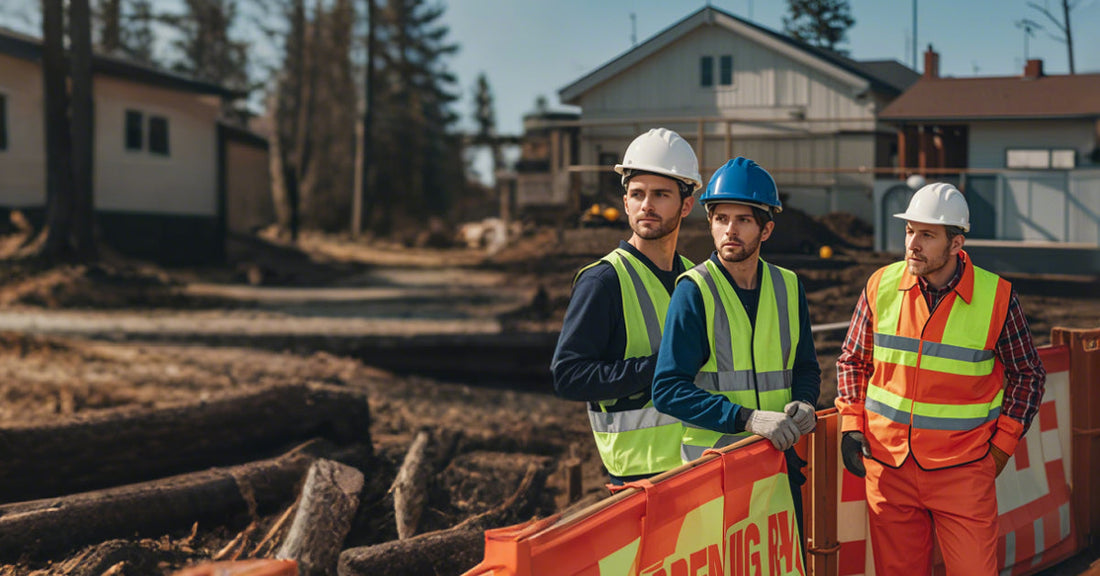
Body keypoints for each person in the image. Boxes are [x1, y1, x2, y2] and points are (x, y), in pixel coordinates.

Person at [835, 182, 1047, 575]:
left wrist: (1000, 448)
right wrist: (851, 425)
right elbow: (852, 360)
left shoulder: (997, 297)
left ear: (956, 243)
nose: (912, 243)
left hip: (963, 472)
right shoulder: (880, 286)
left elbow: (1028, 376)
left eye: (927, 234)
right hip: (888, 468)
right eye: (909, 231)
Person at [652, 157, 821, 531]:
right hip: (714, 475)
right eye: (720, 219)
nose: (730, 230)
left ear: (766, 229)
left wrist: (806, 401)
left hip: (778, 467)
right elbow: (667, 390)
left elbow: (806, 366)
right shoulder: (693, 291)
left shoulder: (789, 287)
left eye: (743, 220)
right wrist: (747, 418)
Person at [551, 128, 703, 485]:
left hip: (696, 465)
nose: (646, 205)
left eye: (660, 194)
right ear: (625, 203)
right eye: (637, 194)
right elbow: (568, 376)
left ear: (686, 204)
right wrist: (658, 369)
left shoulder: (695, 278)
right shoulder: (604, 281)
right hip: (638, 478)